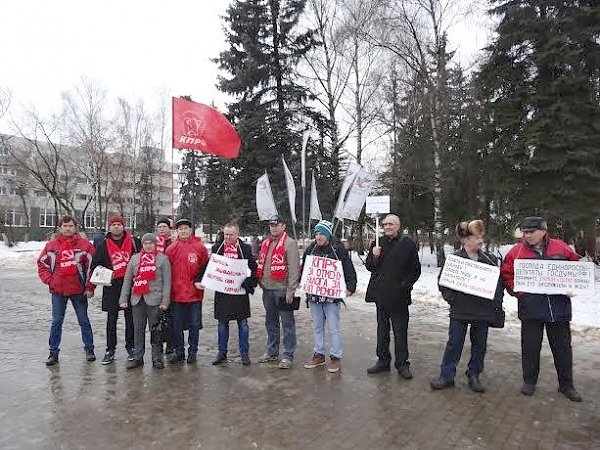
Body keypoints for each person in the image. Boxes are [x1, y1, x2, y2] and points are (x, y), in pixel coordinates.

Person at [500, 216, 582, 402]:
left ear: (543, 231)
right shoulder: (516, 252)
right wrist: (519, 291)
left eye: (531, 232)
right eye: (525, 232)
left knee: (562, 349)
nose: (527, 236)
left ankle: (566, 385)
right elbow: (506, 274)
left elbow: (576, 269)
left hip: (558, 308)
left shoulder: (560, 247)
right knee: (530, 348)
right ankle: (529, 381)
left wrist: (573, 286)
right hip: (531, 308)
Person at [430, 220, 505, 393]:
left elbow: (498, 285)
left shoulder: (490, 260)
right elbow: (443, 284)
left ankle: (474, 374)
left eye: (481, 236)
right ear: (465, 240)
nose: (480, 240)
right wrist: (453, 300)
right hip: (460, 310)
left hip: (482, 311)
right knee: (454, 343)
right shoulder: (455, 259)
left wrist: (495, 304)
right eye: (475, 237)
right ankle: (446, 376)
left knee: (480, 345)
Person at [365, 213, 421, 378]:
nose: (387, 227)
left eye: (391, 224)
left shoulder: (408, 244)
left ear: (398, 226)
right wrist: (374, 256)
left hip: (399, 298)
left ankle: (402, 364)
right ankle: (383, 361)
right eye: (385, 224)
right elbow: (370, 267)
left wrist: (404, 286)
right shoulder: (377, 242)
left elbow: (415, 270)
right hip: (381, 297)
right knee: (382, 331)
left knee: (400, 332)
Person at [38, 216, 96, 365]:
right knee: (56, 322)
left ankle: (89, 348)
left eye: (71, 226)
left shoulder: (85, 246)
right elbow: (42, 264)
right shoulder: (51, 246)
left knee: (84, 321)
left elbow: (92, 267)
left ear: (75, 228)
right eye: (65, 226)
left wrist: (90, 287)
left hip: (79, 290)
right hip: (58, 291)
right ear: (60, 228)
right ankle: (53, 352)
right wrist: (50, 281)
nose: (68, 228)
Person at [302, 220, 356, 373]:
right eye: (316, 234)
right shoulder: (311, 249)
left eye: (321, 234)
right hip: (314, 295)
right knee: (317, 326)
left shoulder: (337, 248)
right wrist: (302, 281)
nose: (318, 237)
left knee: (334, 327)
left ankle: (335, 356)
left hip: (331, 296)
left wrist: (351, 287)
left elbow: (348, 268)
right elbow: (305, 268)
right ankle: (319, 354)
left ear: (328, 235)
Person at [89, 215, 141, 365]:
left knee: (130, 319)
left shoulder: (134, 242)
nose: (116, 227)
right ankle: (110, 349)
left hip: (131, 286)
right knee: (111, 320)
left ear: (123, 226)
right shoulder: (103, 245)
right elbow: (95, 267)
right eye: (113, 225)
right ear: (109, 227)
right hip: (111, 287)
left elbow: (143, 260)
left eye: (119, 224)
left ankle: (130, 347)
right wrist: (93, 285)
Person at [205, 222, 258, 366]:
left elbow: (254, 268)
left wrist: (250, 281)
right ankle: (222, 352)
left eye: (231, 235)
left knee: (243, 324)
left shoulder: (245, 249)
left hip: (240, 292)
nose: (227, 237)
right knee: (222, 324)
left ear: (237, 235)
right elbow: (210, 268)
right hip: (222, 292)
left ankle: (244, 354)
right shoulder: (217, 248)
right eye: (225, 234)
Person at [119, 233, 171, 370]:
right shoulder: (135, 259)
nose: (148, 246)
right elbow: (127, 279)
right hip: (137, 299)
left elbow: (167, 282)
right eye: (145, 243)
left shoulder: (163, 260)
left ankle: (157, 358)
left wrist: (165, 301)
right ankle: (137, 357)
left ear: (155, 244)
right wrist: (123, 298)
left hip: (155, 300)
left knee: (156, 332)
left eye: (150, 243)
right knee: (138, 330)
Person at [256, 215, 300, 369]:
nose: (273, 227)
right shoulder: (266, 243)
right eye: (271, 225)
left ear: (283, 226)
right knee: (271, 322)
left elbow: (294, 269)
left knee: (287, 324)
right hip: (267, 289)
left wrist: (291, 290)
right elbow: (262, 263)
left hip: (282, 290)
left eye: (277, 225)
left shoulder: (290, 243)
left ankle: (288, 355)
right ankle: (272, 351)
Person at [165, 218, 209, 364]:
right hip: (176, 294)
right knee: (176, 325)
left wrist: (200, 280)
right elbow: (166, 271)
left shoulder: (200, 247)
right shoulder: (171, 249)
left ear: (190, 230)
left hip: (194, 294)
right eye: (180, 228)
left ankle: (193, 351)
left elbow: (205, 268)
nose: (183, 231)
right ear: (177, 231)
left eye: (186, 228)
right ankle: (179, 352)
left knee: (194, 325)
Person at [155, 216, 174, 354]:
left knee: (169, 315)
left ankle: (170, 343)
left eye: (164, 227)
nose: (162, 229)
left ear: (169, 228)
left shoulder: (173, 242)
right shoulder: (152, 242)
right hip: (155, 283)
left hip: (170, 281)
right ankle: (159, 342)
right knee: (157, 316)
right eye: (160, 227)